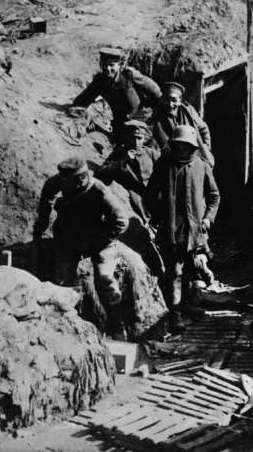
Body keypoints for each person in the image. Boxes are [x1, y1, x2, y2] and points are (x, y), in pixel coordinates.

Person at [31, 157, 130, 340]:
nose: (62, 184)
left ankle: (117, 326)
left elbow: (122, 222)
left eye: (66, 183)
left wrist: (97, 242)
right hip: (69, 235)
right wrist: (43, 220)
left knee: (105, 279)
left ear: (81, 180)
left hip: (100, 238)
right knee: (62, 281)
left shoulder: (100, 191)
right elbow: (47, 195)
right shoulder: (58, 180)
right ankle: (70, 324)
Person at [146, 125, 220, 333]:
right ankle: (175, 314)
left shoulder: (201, 166)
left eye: (186, 146)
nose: (181, 150)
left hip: (195, 229)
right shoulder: (164, 165)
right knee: (175, 271)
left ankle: (187, 306)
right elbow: (151, 194)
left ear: (192, 147)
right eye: (178, 146)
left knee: (190, 268)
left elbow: (214, 196)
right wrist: (158, 216)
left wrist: (208, 219)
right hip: (171, 229)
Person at [95, 120, 165, 276]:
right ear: (125, 138)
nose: (136, 142)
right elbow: (100, 174)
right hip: (137, 201)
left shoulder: (151, 153)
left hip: (158, 199)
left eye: (139, 138)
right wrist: (123, 160)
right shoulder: (119, 154)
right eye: (132, 137)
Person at [70, 47, 161, 141]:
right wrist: (74, 108)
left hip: (142, 119)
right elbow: (84, 98)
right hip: (120, 120)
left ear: (120, 65)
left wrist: (155, 112)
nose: (107, 68)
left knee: (135, 145)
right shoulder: (100, 80)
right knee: (117, 142)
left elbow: (155, 90)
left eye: (111, 65)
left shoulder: (129, 75)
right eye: (104, 64)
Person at [152, 82, 214, 166]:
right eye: (167, 99)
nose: (170, 104)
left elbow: (203, 128)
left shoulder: (189, 110)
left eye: (174, 100)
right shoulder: (157, 117)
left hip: (194, 156)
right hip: (173, 160)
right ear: (162, 99)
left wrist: (206, 147)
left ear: (180, 100)